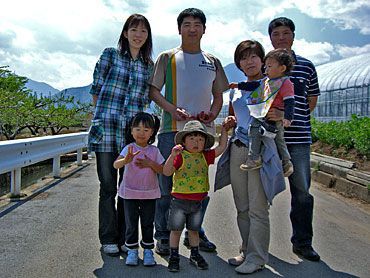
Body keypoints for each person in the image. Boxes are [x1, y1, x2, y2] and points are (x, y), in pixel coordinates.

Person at [149, 7, 229, 255]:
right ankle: (162, 234)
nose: (192, 29)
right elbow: (153, 91)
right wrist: (172, 110)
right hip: (170, 131)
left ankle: (195, 233)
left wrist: (213, 115)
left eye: (197, 24)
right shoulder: (167, 57)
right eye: (187, 24)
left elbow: (218, 95)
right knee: (166, 185)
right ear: (179, 29)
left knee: (198, 185)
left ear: (204, 29)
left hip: (202, 134)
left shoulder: (212, 61)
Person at [215, 40, 286, 274]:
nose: (249, 61)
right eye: (244, 57)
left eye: (254, 56)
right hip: (237, 148)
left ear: (263, 61)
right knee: (242, 206)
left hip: (259, 151)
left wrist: (281, 113)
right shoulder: (235, 89)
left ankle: (257, 258)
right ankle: (246, 250)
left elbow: (282, 114)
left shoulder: (271, 85)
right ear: (239, 63)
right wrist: (229, 122)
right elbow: (236, 117)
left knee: (257, 207)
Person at [88, 14, 153, 256]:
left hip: (132, 137)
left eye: (143, 31)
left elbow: (145, 100)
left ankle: (127, 238)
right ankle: (108, 238)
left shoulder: (148, 65)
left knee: (129, 188)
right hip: (106, 131)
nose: (138, 35)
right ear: (125, 33)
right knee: (108, 187)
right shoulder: (110, 55)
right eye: (134, 29)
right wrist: (99, 118)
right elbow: (96, 89)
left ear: (148, 37)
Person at [268, 17, 321, 261]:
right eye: (276, 33)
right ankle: (254, 245)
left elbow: (311, 102)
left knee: (301, 192)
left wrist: (287, 115)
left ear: (293, 36)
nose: (281, 38)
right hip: (269, 138)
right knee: (260, 191)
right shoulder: (267, 68)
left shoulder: (307, 67)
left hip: (298, 139)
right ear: (270, 38)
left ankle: (302, 242)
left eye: (286, 33)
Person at [163, 120, 229, 272]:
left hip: (197, 203)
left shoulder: (206, 156)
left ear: (205, 142)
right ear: (184, 141)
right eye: (192, 138)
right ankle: (174, 256)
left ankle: (194, 254)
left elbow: (221, 147)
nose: (196, 142)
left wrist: (225, 130)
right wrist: (172, 156)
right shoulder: (180, 156)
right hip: (179, 202)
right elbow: (166, 172)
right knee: (176, 230)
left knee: (194, 231)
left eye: (200, 139)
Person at [230, 48, 295, 176]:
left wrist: (287, 118)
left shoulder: (285, 83)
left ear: (282, 68)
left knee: (279, 140)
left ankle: (286, 162)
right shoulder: (266, 81)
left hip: (274, 117)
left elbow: (290, 102)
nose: (266, 70)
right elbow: (252, 86)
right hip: (263, 116)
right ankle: (254, 158)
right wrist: (238, 85)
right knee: (253, 129)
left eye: (269, 66)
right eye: (266, 67)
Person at [113, 112, 164, 266]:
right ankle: (132, 250)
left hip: (150, 193)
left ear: (152, 132)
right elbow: (116, 165)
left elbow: (162, 169)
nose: (142, 133)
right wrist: (125, 160)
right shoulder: (128, 148)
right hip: (129, 193)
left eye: (146, 130)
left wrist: (150, 164)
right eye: (138, 129)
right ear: (131, 130)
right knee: (131, 223)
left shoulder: (154, 151)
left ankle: (148, 251)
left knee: (148, 223)